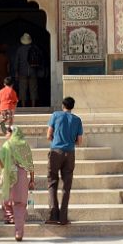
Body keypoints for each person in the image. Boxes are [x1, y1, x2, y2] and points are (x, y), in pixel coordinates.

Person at [45, 96, 83, 226]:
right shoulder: (77, 120)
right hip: (70, 153)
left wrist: (56, 141)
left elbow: (48, 135)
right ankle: (63, 218)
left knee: (52, 182)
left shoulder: (56, 115)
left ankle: (52, 215)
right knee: (66, 186)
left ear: (63, 105)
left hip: (56, 152)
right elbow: (79, 141)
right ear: (72, 107)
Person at [0, 125, 36, 241]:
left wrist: (5, 168)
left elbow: (0, 160)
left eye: (7, 132)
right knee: (19, 204)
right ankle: (19, 232)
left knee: (7, 197)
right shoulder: (24, 145)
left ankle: (9, 217)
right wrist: (32, 179)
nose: (6, 135)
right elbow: (30, 163)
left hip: (8, 174)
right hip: (21, 175)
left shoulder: (7, 145)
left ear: (12, 133)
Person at [11, 33, 44, 107]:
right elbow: (41, 59)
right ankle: (33, 105)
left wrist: (16, 72)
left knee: (23, 89)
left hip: (22, 72)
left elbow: (16, 62)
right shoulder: (35, 48)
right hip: (33, 72)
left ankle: (23, 105)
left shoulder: (20, 49)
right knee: (33, 89)